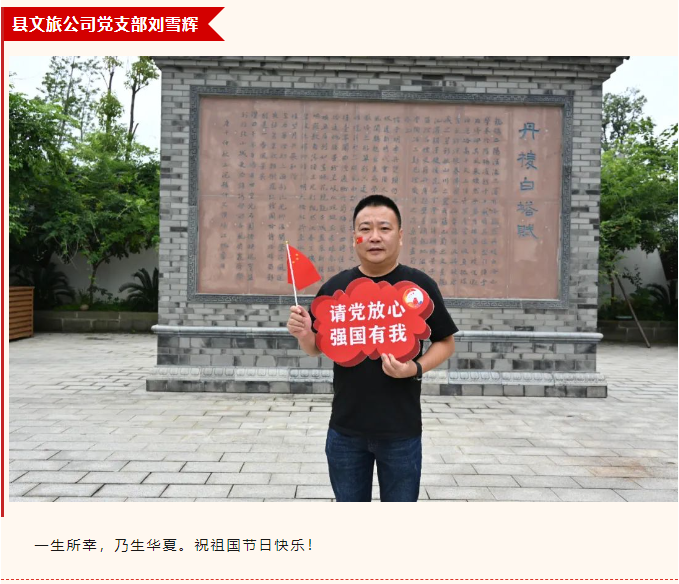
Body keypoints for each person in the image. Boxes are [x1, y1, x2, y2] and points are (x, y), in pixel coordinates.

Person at [286, 195, 458, 502]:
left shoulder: (419, 285)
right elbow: (316, 348)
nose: (374, 237)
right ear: (354, 236)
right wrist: (303, 334)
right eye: (365, 229)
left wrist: (414, 368)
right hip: (345, 431)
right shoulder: (335, 289)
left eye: (384, 228)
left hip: (401, 432)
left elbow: (446, 342)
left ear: (400, 235)